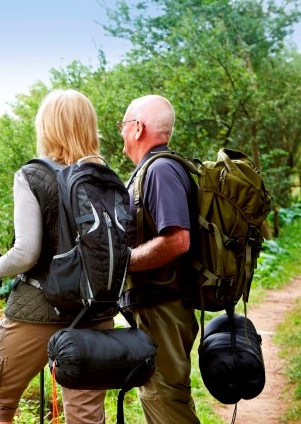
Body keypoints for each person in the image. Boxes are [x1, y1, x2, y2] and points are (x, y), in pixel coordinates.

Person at [0, 89, 113, 424]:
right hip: (94, 311)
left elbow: (26, 253)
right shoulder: (105, 177)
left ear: (47, 127)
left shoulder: (32, 175)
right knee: (86, 415)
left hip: (37, 310)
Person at [118, 94, 200, 424]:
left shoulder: (160, 171)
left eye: (124, 125)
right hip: (157, 308)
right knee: (161, 397)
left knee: (166, 401)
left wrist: (124, 263)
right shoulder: (153, 170)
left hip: (162, 309)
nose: (121, 133)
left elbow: (178, 240)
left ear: (138, 128)